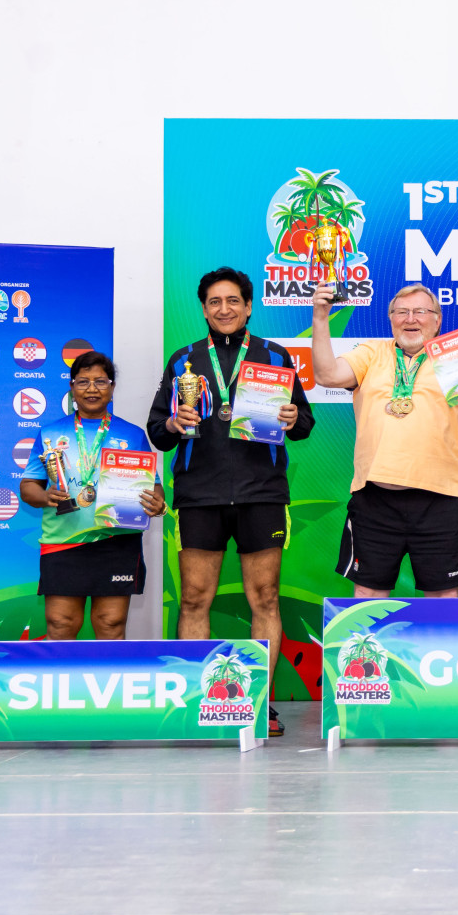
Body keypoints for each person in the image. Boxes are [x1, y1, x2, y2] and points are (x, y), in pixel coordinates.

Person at [149, 266, 313, 737]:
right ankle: (203, 701)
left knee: (263, 598)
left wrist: (291, 414)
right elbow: (157, 432)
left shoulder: (275, 355)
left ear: (248, 306)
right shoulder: (183, 360)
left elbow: (304, 424)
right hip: (200, 496)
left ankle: (259, 702)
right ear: (203, 308)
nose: (224, 309)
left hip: (261, 495)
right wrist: (175, 426)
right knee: (195, 598)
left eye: (233, 301)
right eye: (214, 302)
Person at [310, 281, 458, 599]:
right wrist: (320, 318)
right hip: (375, 500)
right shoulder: (372, 352)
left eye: (420, 311)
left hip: (441, 500)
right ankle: (365, 652)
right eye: (401, 312)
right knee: (367, 597)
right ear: (391, 319)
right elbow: (328, 375)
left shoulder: (455, 356)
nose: (410, 318)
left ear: (437, 320)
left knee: (443, 599)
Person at [20, 352, 165, 639]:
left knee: (110, 625)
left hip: (116, 541)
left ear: (111, 389)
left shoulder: (132, 434)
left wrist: (157, 502)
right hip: (63, 540)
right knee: (61, 625)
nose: (92, 388)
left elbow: (153, 485)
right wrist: (44, 496)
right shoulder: (50, 433)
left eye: (100, 381)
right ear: (72, 388)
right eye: (83, 381)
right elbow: (28, 487)